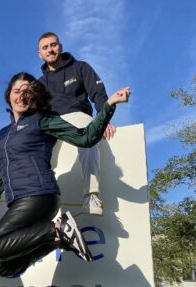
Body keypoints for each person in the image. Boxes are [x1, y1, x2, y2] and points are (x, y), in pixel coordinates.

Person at [0, 72, 130, 278]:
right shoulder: (3, 135)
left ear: (34, 96)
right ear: (9, 95)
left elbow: (86, 138)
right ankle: (58, 239)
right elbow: (0, 176)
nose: (21, 96)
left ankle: (57, 229)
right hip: (17, 200)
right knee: (3, 267)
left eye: (27, 92)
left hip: (38, 194)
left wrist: (109, 105)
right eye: (16, 91)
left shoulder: (42, 120)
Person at [38, 32, 115, 216]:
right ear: (40, 54)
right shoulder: (39, 84)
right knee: (39, 156)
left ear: (60, 46)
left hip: (77, 115)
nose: (50, 49)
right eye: (45, 47)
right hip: (51, 123)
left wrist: (105, 120)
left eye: (53, 45)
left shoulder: (80, 67)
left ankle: (91, 196)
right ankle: (44, 206)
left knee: (89, 135)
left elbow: (98, 93)